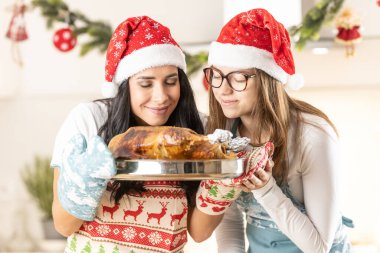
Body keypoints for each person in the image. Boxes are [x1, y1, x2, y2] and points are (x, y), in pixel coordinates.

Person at [51, 16, 229, 253]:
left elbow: (199, 232)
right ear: (125, 86)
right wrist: (86, 182)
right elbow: (63, 225)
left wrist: (225, 184)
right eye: (146, 84)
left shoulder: (197, 130)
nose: (161, 96)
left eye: (171, 82)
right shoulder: (90, 120)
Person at [203, 8, 354, 253]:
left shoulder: (312, 136)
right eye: (216, 75)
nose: (222, 89)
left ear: (267, 79)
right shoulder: (225, 135)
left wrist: (265, 189)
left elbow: (318, 246)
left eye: (238, 78)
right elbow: (229, 223)